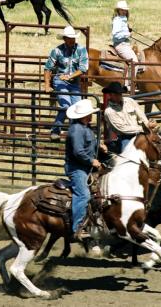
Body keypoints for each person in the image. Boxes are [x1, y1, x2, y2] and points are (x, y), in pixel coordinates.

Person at [64, 99, 102, 240]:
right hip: (77, 168)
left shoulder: (85, 127)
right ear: (85, 115)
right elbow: (78, 152)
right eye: (90, 113)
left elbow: (87, 145)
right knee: (84, 195)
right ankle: (78, 228)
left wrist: (100, 145)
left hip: (85, 167)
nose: (92, 115)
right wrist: (92, 160)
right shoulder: (77, 130)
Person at [44, 26, 89, 140]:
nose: (71, 40)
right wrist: (47, 85)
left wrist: (70, 76)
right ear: (64, 39)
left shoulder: (81, 50)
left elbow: (83, 68)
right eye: (69, 38)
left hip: (74, 82)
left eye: (73, 38)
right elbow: (47, 68)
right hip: (60, 81)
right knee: (66, 105)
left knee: (77, 107)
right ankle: (56, 130)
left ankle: (73, 133)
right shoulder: (57, 51)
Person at [102, 81, 156, 153]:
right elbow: (123, 129)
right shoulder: (109, 112)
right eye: (117, 94)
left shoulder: (130, 101)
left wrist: (148, 124)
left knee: (158, 145)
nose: (120, 95)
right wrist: (145, 128)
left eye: (120, 93)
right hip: (125, 137)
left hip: (141, 132)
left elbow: (141, 114)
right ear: (111, 95)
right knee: (127, 154)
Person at [111, 0, 140, 70]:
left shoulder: (123, 20)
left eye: (125, 10)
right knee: (135, 63)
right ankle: (129, 81)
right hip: (121, 45)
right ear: (118, 10)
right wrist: (127, 34)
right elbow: (115, 35)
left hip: (125, 45)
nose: (124, 11)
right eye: (122, 10)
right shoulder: (117, 20)